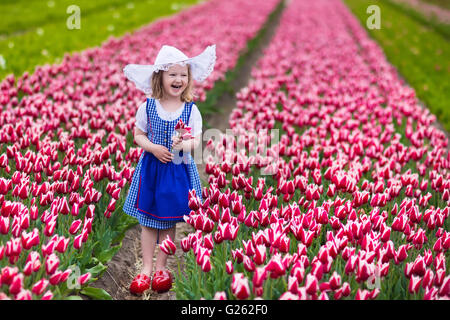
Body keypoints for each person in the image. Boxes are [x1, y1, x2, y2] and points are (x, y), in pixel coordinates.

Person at [122, 44, 216, 295]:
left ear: (189, 79)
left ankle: (162, 269)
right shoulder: (148, 106)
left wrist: (182, 144)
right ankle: (145, 270)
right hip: (152, 169)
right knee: (147, 221)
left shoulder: (190, 109)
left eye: (183, 74)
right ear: (159, 77)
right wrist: (152, 147)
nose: (178, 79)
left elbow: (196, 140)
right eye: (172, 74)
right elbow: (138, 135)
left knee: (168, 221)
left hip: (176, 169)